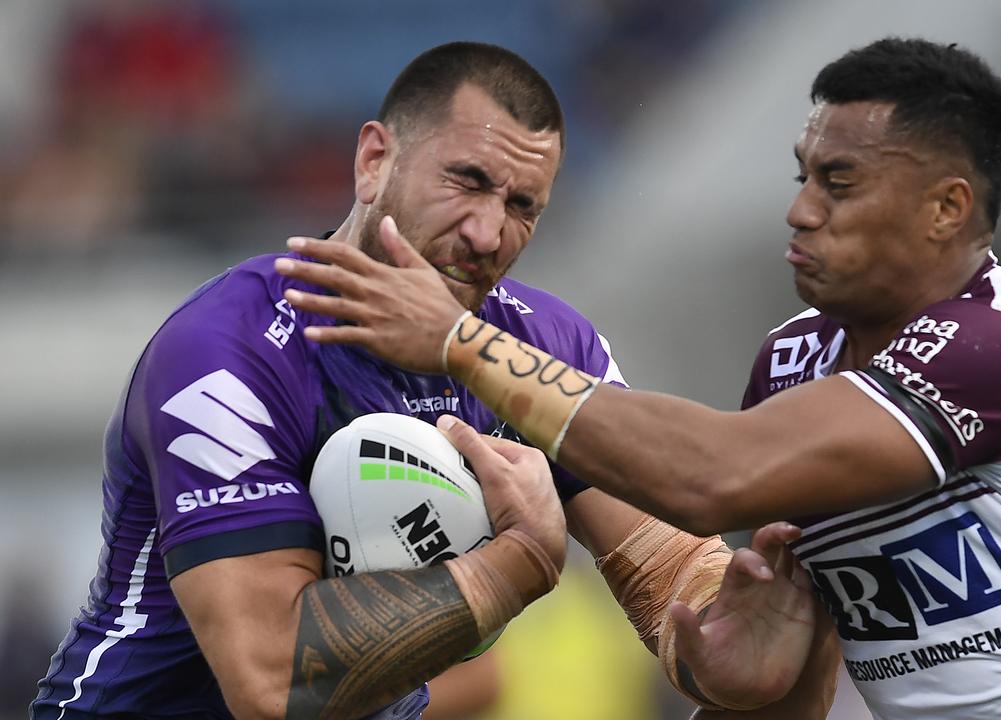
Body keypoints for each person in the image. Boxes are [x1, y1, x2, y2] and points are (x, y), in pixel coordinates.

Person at [279, 37, 1001, 718]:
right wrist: (748, 683)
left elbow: (712, 477)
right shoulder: (792, 360)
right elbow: (804, 672)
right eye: (801, 174)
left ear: (947, 208)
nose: (801, 211)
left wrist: (460, 342)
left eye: (840, 184)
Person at [33, 42, 831, 720]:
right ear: (375, 159)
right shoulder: (227, 350)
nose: (489, 232)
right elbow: (271, 682)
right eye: (468, 181)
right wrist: (517, 564)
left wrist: (742, 621)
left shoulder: (546, 343)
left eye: (524, 205)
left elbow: (669, 573)